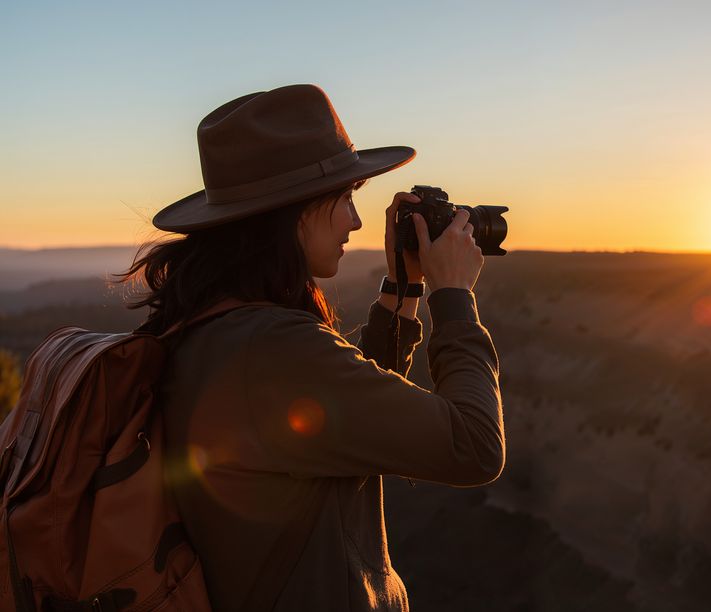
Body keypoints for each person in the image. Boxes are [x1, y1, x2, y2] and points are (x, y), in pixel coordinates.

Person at [116, 84, 504, 611]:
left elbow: (347, 412)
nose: (357, 220)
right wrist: (454, 298)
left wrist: (404, 288)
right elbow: (475, 446)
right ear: (292, 211)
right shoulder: (271, 348)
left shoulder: (213, 328)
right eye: (344, 198)